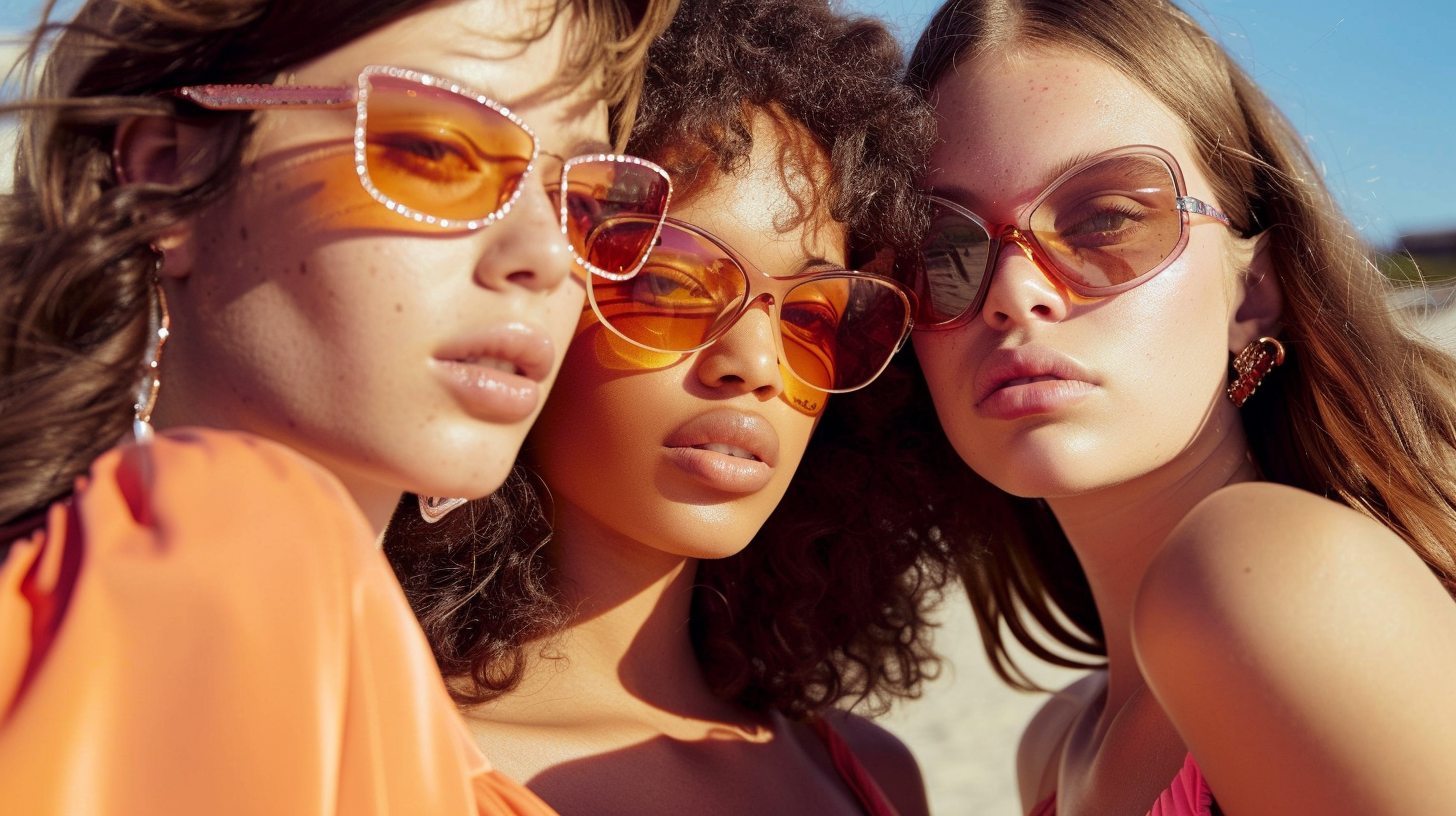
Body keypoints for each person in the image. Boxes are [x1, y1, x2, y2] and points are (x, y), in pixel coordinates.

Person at [0, 0, 675, 812]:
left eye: (585, 200)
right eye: (436, 150)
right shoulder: (241, 541)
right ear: (165, 177)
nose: (547, 255)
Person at [883, 0, 1456, 814]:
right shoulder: (1054, 749)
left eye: (1106, 220)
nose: (1013, 291)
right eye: (946, 250)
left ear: (1254, 292)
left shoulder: (1272, 576)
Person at [383, 2, 941, 814]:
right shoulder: (385, 763)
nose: (757, 365)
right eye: (675, 284)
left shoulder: (871, 773)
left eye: (814, 317)